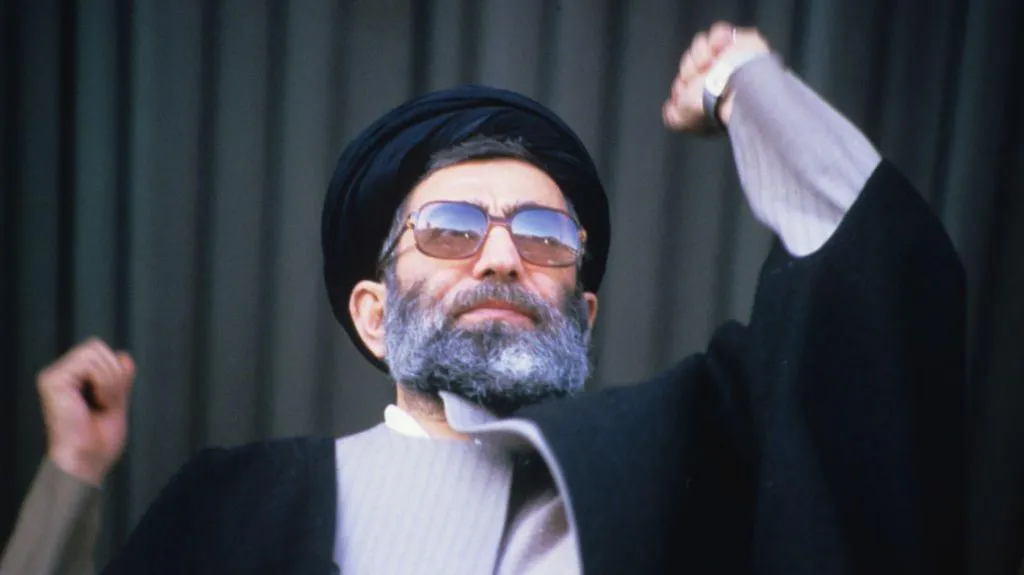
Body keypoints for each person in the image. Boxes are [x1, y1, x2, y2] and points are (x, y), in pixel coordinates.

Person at [1, 22, 964, 575]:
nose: (502, 257)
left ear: (583, 315)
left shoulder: (688, 465)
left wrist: (750, 87)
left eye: (544, 237)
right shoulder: (237, 498)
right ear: (375, 315)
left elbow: (871, 285)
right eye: (452, 228)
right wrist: (72, 474)